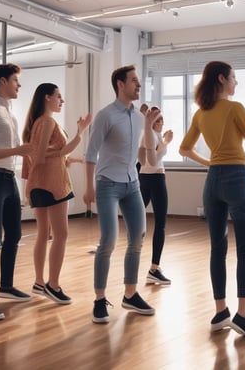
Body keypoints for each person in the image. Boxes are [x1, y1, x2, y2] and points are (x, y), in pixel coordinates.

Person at [179, 61, 245, 337]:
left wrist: (212, 162)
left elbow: (185, 148)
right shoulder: (234, 109)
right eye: (234, 78)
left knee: (217, 249)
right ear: (222, 79)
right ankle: (243, 316)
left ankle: (220, 311)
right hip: (237, 179)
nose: (236, 83)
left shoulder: (202, 113)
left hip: (212, 182)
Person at [83, 64, 157, 324]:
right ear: (120, 85)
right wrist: (89, 186)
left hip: (132, 184)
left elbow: (141, 152)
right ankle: (99, 299)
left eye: (139, 81)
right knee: (109, 241)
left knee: (137, 238)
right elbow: (91, 153)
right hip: (107, 184)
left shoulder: (138, 117)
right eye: (134, 81)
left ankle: (130, 293)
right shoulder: (105, 115)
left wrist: (149, 127)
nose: (138, 85)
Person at [22, 83, 91, 305]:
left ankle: (40, 282)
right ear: (47, 97)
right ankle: (53, 285)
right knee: (60, 235)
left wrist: (68, 158)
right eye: (59, 97)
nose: (62, 101)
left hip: (40, 183)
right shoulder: (48, 121)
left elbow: (45, 155)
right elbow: (41, 155)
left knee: (44, 234)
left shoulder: (38, 123)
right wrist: (79, 134)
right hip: (53, 185)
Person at [0, 63, 32, 322]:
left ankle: (6, 286)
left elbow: (10, 151)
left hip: (8, 178)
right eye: (15, 80)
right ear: (2, 81)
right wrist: (17, 151)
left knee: (14, 233)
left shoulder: (9, 112)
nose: (19, 85)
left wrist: (18, 153)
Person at [138, 106, 173, 285]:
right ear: (153, 121)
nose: (161, 124)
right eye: (159, 121)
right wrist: (166, 142)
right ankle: (154, 268)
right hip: (155, 178)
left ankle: (153, 267)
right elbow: (152, 159)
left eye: (162, 121)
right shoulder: (150, 135)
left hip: (147, 177)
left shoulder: (150, 134)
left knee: (138, 216)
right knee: (160, 224)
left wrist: (164, 140)